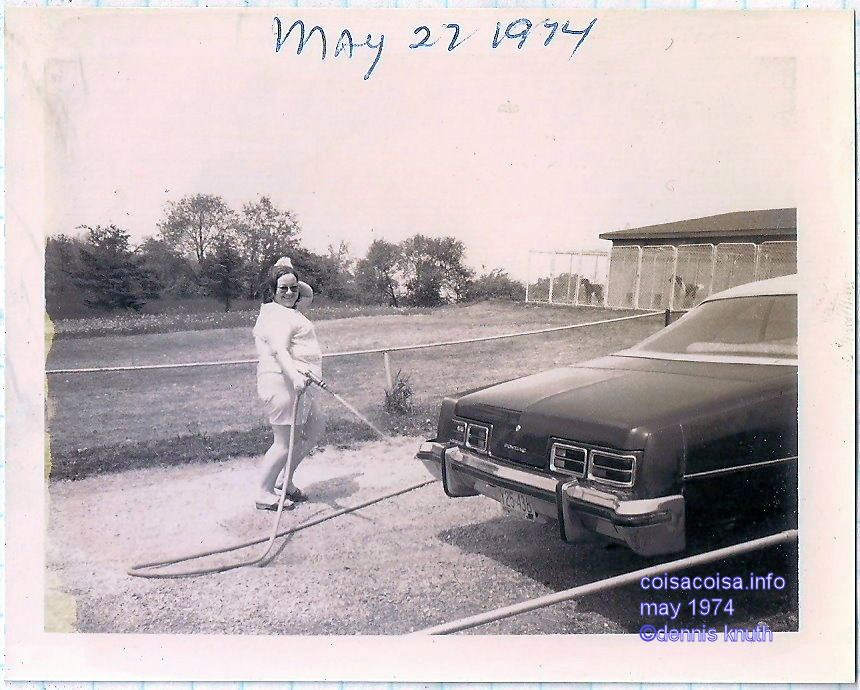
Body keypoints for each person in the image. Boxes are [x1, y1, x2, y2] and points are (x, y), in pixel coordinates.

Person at [252, 257, 325, 510]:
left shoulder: (287, 311)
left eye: (293, 287)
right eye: (283, 288)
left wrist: (286, 271)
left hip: (303, 385)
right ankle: (263, 492)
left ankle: (286, 481)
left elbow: (307, 294)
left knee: (314, 430)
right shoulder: (275, 315)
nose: (290, 293)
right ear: (271, 291)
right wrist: (294, 376)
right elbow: (280, 351)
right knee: (284, 443)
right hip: (282, 383)